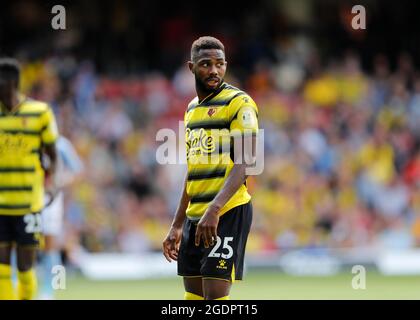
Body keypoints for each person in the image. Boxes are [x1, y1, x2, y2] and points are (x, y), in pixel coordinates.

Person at [162, 36, 259, 300]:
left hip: (227, 211)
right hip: (196, 216)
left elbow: (248, 161)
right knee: (193, 296)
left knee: (214, 298)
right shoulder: (192, 110)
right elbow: (194, 170)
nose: (214, 70)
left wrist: (215, 209)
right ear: (191, 67)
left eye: (219, 64)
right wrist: (177, 223)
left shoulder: (240, 103)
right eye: (206, 64)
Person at [0, 58, 58, 300]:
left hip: (29, 204)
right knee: (1, 266)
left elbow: (53, 156)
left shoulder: (39, 113)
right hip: (1, 206)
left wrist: (52, 185)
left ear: (10, 82)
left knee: (25, 266)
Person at [38, 135, 84, 300]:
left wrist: (59, 181)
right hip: (25, 196)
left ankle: (49, 291)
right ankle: (15, 284)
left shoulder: (61, 145)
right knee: (19, 242)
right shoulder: (26, 139)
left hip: (50, 198)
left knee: (50, 245)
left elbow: (77, 171)